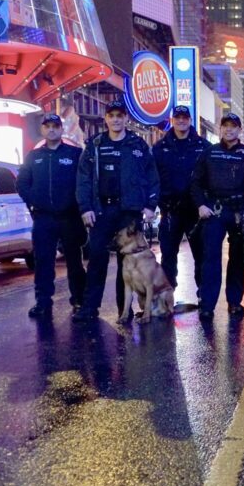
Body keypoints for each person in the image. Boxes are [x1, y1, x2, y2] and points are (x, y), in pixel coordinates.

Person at [72, 100, 159, 322]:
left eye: (119, 115)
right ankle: (90, 307)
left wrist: (150, 205)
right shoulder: (96, 144)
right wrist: (85, 208)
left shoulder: (138, 145)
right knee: (97, 259)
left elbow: (152, 176)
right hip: (101, 210)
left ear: (125, 118)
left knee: (127, 262)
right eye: (111, 115)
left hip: (128, 211)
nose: (116, 119)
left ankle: (125, 309)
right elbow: (83, 178)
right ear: (106, 119)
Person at [191, 113, 244, 320]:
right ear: (220, 129)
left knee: (237, 259)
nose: (229, 130)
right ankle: (207, 304)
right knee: (210, 259)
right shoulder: (210, 153)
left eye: (233, 126)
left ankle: (234, 303)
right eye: (225, 126)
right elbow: (196, 183)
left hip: (241, 212)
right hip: (215, 211)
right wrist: (200, 204)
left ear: (239, 130)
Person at [16, 113, 87, 319]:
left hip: (69, 217)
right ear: (42, 130)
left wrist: (80, 207)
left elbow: (84, 182)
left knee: (74, 261)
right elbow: (22, 183)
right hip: (43, 218)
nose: (51, 129)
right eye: (47, 126)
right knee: (43, 262)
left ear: (61, 129)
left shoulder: (75, 154)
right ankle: (43, 302)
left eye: (55, 126)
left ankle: (79, 300)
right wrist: (33, 201)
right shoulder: (33, 156)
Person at [153, 105, 211, 294]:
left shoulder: (204, 146)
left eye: (185, 117)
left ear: (190, 120)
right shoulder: (159, 148)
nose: (181, 120)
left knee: (201, 256)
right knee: (168, 257)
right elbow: (152, 179)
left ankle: (204, 298)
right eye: (177, 117)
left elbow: (211, 178)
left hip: (196, 212)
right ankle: (166, 298)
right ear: (172, 120)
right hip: (170, 212)